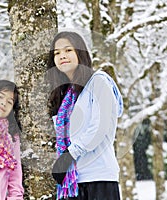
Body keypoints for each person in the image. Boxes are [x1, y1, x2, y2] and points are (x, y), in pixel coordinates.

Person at [46, 31, 124, 200]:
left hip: (99, 178)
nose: (62, 56)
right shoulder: (66, 95)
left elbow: (100, 127)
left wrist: (69, 155)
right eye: (57, 53)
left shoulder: (98, 81)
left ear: (80, 53)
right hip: (71, 184)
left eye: (68, 50)